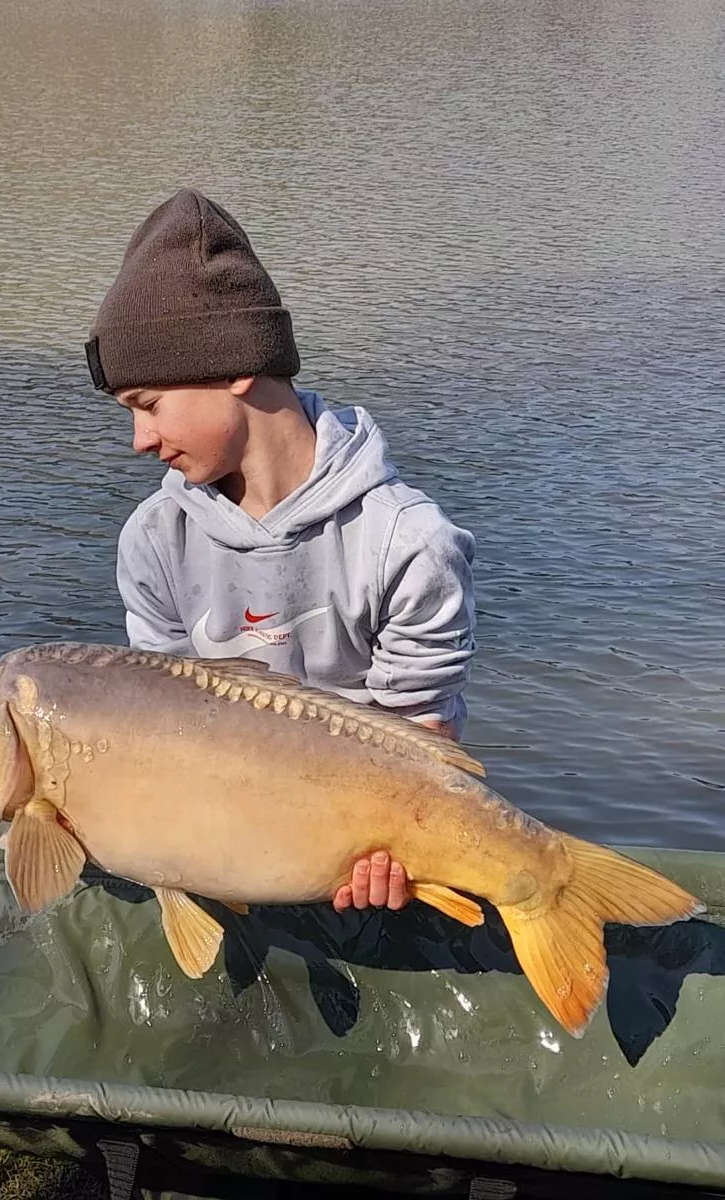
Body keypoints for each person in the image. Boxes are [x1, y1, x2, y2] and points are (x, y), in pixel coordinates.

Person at [85, 188, 476, 913]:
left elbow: (422, 749)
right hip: (223, 832)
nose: (139, 440)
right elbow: (161, 725)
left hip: (362, 841)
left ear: (234, 364)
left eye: (148, 405)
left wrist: (392, 848)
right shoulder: (154, 539)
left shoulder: (408, 541)